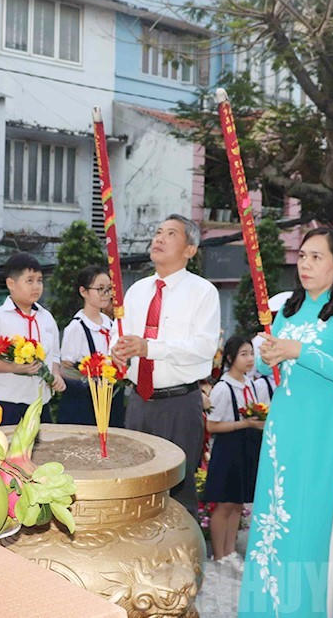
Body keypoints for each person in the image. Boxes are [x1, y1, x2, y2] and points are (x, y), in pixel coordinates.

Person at [239, 227, 333, 617]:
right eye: (303, 255)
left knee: (309, 528)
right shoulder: (290, 311)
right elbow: (266, 363)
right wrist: (268, 352)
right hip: (283, 429)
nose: (305, 264)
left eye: (316, 257)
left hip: (323, 432)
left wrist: (301, 350)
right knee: (272, 522)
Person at [112, 214, 220, 517]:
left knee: (177, 491)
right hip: (138, 402)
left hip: (179, 404)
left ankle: (180, 559)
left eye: (170, 234)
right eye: (158, 232)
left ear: (190, 250)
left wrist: (150, 348)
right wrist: (118, 351)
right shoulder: (136, 291)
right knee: (134, 481)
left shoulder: (203, 292)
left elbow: (204, 347)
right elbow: (117, 334)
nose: (159, 238)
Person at [0, 253, 66, 425]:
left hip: (40, 404)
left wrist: (56, 375)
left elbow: (54, 356)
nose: (36, 286)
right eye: (29, 281)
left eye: (39, 280)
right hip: (4, 406)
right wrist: (13, 367)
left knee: (42, 451)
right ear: (11, 284)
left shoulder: (47, 318)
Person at [201, 335, 267, 569]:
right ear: (230, 358)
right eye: (243, 354)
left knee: (238, 503)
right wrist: (245, 424)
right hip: (228, 449)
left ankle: (230, 551)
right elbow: (211, 425)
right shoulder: (223, 387)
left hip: (247, 447)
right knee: (224, 504)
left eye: (251, 353)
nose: (250, 359)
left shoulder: (250, 383)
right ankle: (218, 554)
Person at [58, 264, 125, 426]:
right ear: (84, 292)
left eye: (109, 289)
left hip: (111, 400)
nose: (106, 294)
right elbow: (65, 369)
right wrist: (90, 373)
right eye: (100, 289)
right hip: (83, 405)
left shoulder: (110, 324)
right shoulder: (76, 328)